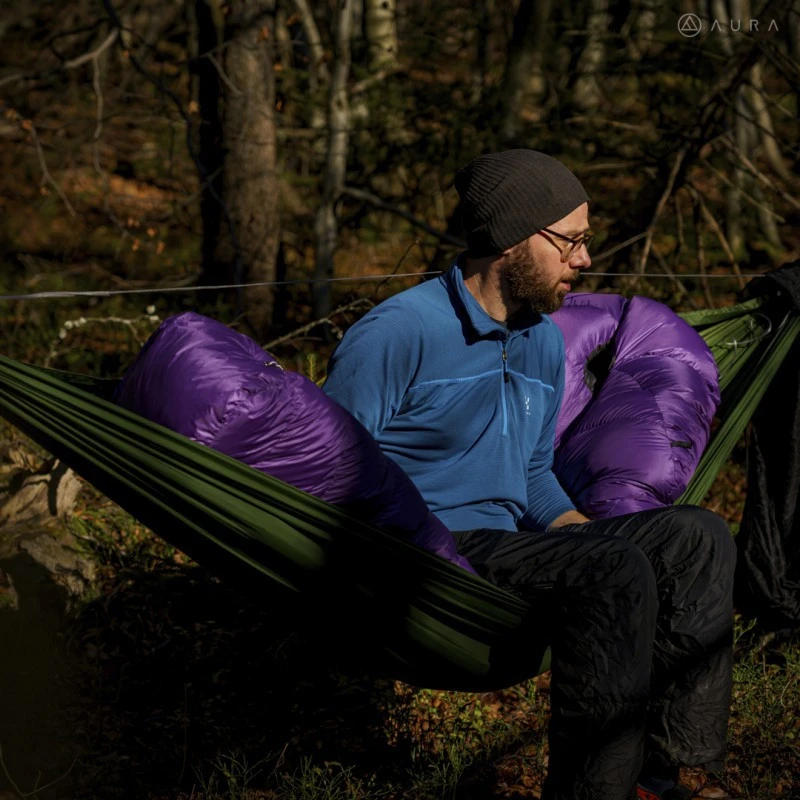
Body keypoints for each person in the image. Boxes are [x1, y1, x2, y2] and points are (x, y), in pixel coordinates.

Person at [322, 150, 735, 800]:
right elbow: (332, 465)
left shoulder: (540, 338)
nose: (584, 260)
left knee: (697, 537)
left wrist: (585, 534)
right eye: (569, 241)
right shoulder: (398, 333)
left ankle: (667, 772)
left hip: (512, 547)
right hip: (432, 553)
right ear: (511, 238)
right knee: (613, 568)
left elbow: (535, 472)